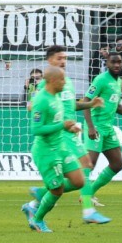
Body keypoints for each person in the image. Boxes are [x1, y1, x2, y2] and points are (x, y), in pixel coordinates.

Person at [75, 51, 122, 223]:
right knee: (88, 165)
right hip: (96, 126)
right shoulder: (101, 80)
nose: (117, 65)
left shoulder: (118, 82)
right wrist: (91, 127)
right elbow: (85, 102)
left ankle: (89, 192)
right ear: (107, 63)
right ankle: (64, 195)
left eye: (119, 62)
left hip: (108, 128)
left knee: (117, 164)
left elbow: (116, 107)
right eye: (113, 62)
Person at [26, 44, 102, 215]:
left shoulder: (65, 81)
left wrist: (90, 104)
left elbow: (70, 105)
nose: (63, 61)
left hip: (71, 130)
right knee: (85, 165)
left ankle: (41, 194)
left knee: (85, 166)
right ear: (50, 60)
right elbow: (33, 106)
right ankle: (89, 211)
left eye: (65, 58)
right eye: (59, 58)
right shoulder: (47, 83)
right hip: (60, 133)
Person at [21, 66, 84, 233]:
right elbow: (36, 129)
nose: (65, 83)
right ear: (54, 81)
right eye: (62, 80)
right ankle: (37, 219)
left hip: (61, 147)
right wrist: (61, 125)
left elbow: (57, 121)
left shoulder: (56, 97)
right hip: (46, 151)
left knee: (79, 181)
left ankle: (41, 192)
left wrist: (69, 129)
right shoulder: (41, 100)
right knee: (57, 190)